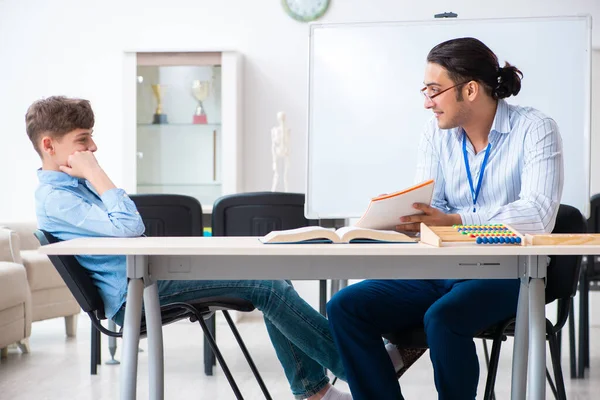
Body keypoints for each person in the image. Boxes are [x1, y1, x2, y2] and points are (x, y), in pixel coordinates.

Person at [27, 96, 356, 400]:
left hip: (147, 283)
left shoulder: (76, 188)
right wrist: (97, 173)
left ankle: (316, 392)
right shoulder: (58, 199)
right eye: (83, 140)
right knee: (266, 286)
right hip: (134, 297)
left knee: (270, 277)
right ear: (49, 145)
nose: (93, 147)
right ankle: (359, 368)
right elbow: (129, 227)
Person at [326, 37, 564, 400]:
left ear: (469, 90)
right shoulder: (436, 136)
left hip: (508, 273)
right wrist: (404, 217)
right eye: (425, 90)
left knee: (443, 318)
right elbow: (430, 207)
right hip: (440, 268)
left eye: (434, 91)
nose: (427, 102)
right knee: (345, 306)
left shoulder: (535, 129)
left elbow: (537, 215)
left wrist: (456, 221)